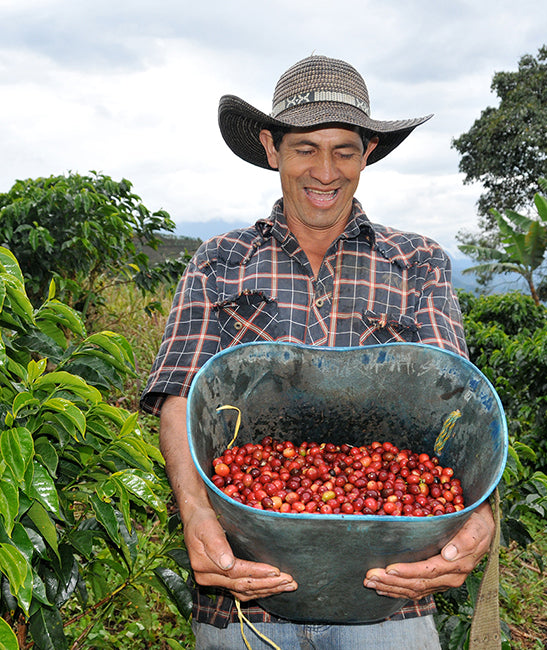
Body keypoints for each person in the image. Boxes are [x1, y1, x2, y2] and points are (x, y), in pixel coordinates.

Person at [140, 54, 495, 650]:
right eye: (305, 148)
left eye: (345, 150)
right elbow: (180, 394)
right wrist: (197, 514)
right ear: (271, 147)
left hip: (390, 596)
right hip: (245, 595)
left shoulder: (416, 263)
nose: (325, 171)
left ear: (369, 153)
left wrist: (475, 516)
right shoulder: (219, 261)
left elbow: (457, 409)